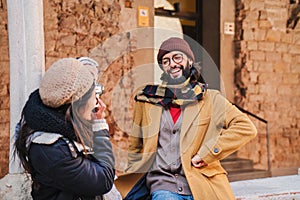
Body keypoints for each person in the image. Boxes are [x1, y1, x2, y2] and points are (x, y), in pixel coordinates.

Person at [115, 37, 257, 200]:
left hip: (203, 184)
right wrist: (135, 178)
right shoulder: (147, 100)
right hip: (164, 185)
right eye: (165, 61)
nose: (172, 64)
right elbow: (136, 146)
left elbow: (246, 127)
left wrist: (208, 153)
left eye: (177, 57)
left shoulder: (211, 99)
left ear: (189, 60)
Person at [14, 57, 121, 200]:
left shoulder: (55, 122)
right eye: (92, 95)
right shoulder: (51, 150)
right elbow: (103, 180)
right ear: (77, 106)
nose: (96, 101)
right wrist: (99, 126)